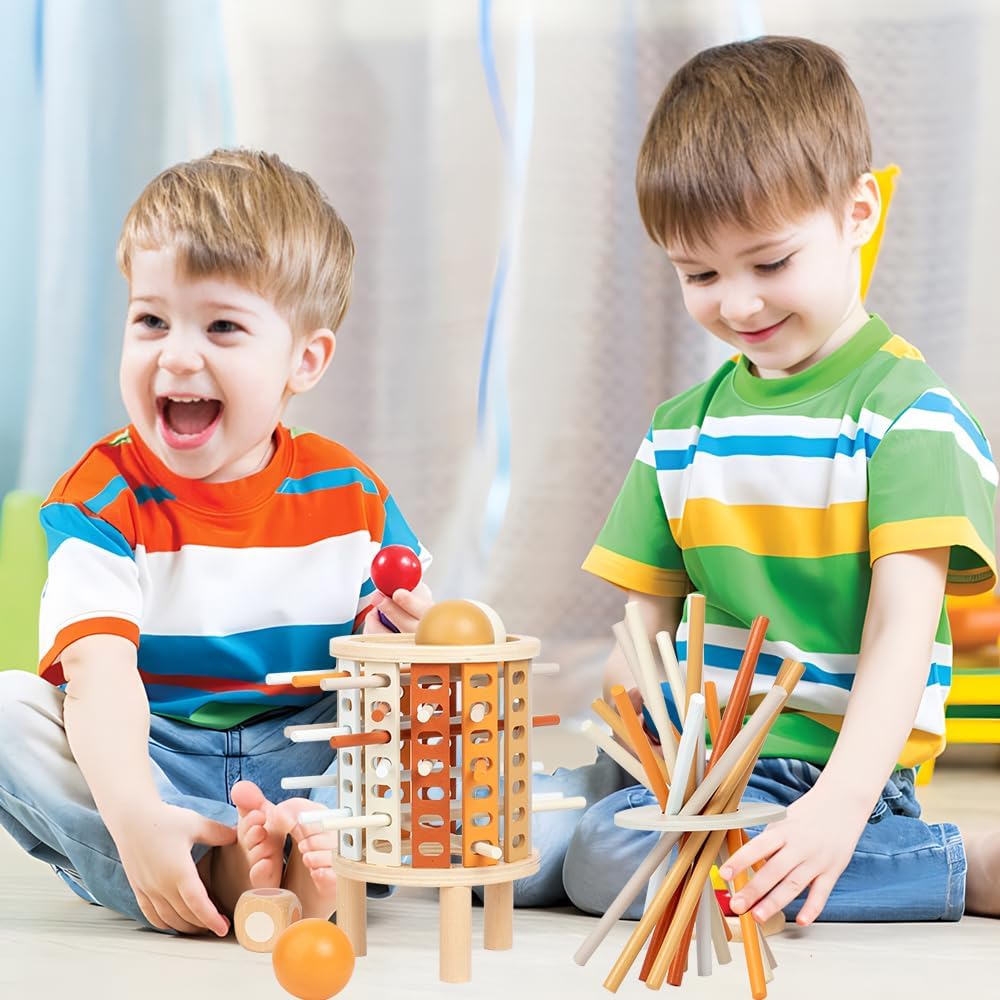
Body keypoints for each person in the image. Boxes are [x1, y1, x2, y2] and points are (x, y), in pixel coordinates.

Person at [564, 35, 1000, 924]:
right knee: (536, 838)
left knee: (604, 861)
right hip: (694, 765)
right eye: (699, 273)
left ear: (857, 213)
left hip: (823, 771)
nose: (738, 303)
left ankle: (957, 864)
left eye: (770, 262)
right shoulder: (681, 428)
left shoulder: (908, 415)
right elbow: (641, 627)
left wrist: (838, 807)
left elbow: (901, 636)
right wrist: (631, 736)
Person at [0, 149, 431, 936]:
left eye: (223, 325)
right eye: (152, 320)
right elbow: (99, 675)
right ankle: (182, 862)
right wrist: (132, 812)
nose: (177, 353)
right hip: (152, 752)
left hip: (309, 750)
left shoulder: (351, 495)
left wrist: (404, 632)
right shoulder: (99, 497)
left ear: (304, 360)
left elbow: (396, 657)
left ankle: (312, 846)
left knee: (418, 708)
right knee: (8, 711)